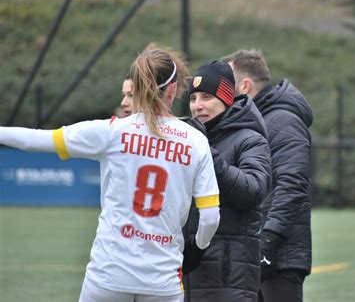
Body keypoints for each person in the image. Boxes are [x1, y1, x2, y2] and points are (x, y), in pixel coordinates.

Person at [0, 44, 221, 302]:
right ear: (173, 90)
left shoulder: (112, 131)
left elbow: (37, 140)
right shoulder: (195, 141)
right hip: (163, 279)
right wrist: (198, 248)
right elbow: (210, 217)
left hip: (109, 273)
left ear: (135, 88)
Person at [221, 49, 313, 302]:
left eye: (227, 85)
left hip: (279, 258)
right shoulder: (256, 119)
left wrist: (268, 242)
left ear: (246, 85)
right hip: (256, 251)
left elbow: (292, 186)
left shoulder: (282, 120)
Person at [183, 60, 272, 301]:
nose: (198, 106)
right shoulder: (188, 138)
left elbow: (253, 190)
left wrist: (207, 153)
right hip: (187, 271)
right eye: (193, 99)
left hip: (228, 276)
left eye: (206, 97)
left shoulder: (250, 138)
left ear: (225, 98)